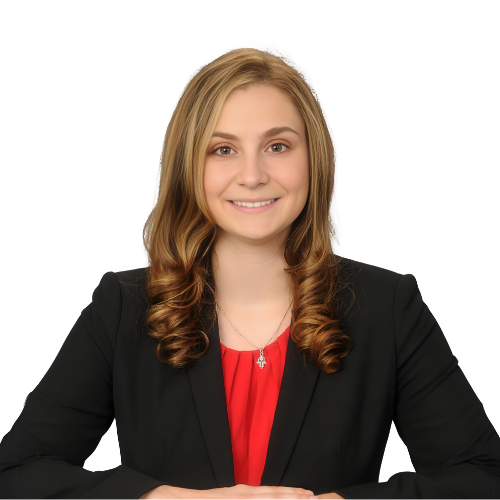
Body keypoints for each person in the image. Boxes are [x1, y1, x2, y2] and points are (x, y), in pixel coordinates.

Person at [1, 39, 498, 500]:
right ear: (189, 167)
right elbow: (19, 470)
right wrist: (163, 499)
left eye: (278, 146)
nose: (253, 175)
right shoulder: (122, 306)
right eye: (223, 149)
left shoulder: (389, 306)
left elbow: (480, 474)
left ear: (313, 159)